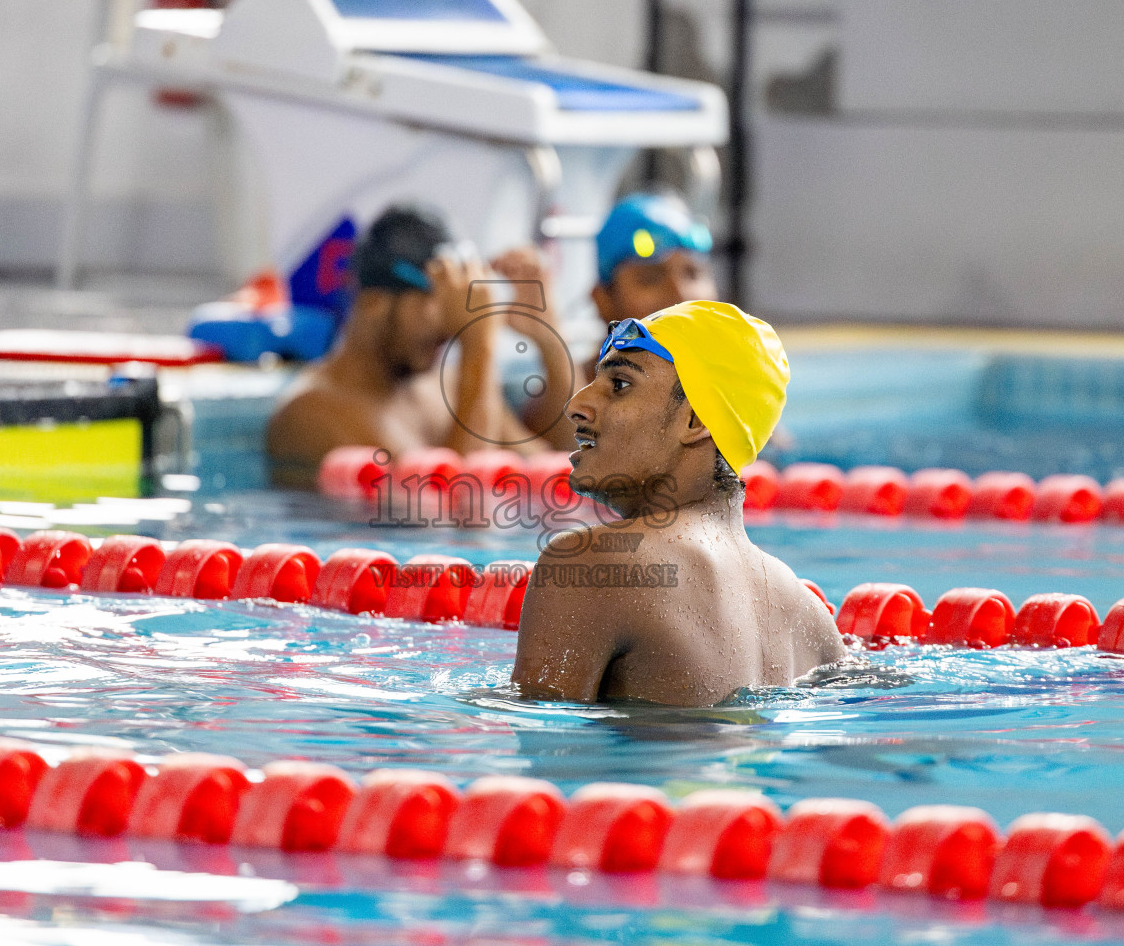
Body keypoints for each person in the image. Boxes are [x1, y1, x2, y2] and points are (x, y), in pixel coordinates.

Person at [512, 300, 846, 706]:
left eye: (619, 385)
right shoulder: (810, 616)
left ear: (696, 421)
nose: (576, 406)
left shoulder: (593, 565)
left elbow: (543, 738)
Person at [267, 203, 576, 485]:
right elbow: (454, 511)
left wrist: (552, 343)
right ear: (374, 302)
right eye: (438, 301)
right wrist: (479, 344)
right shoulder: (312, 413)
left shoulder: (446, 388)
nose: (450, 324)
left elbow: (562, 465)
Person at [585, 193, 719, 386]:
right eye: (651, 279)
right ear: (603, 301)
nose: (680, 294)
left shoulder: (740, 380)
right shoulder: (575, 394)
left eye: (693, 273)